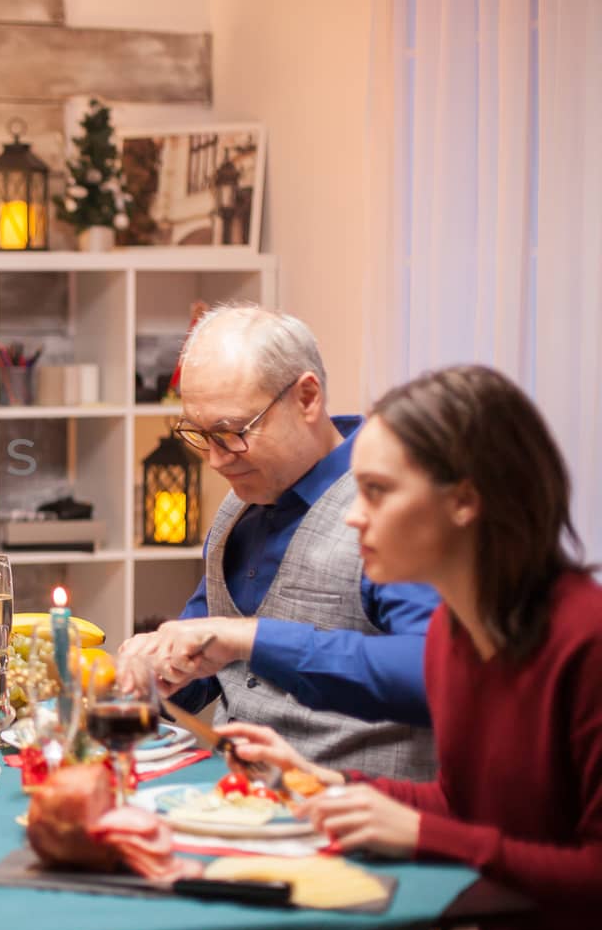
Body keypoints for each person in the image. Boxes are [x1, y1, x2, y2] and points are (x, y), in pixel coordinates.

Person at [221, 365, 602, 930]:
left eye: (376, 491)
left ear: (464, 500)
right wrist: (323, 781)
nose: (352, 516)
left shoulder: (585, 642)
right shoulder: (458, 636)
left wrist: (425, 834)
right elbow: (463, 805)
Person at [119, 306, 438, 779]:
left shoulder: (390, 504)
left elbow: (434, 674)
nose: (214, 459)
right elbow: (210, 662)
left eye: (230, 433)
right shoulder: (238, 504)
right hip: (237, 802)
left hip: (357, 818)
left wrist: (254, 639)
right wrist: (158, 671)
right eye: (198, 434)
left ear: (307, 397)